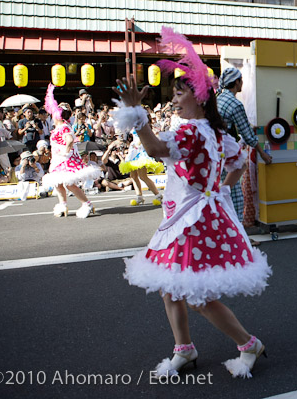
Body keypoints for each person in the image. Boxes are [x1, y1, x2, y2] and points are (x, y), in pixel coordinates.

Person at [116, 27, 272, 378]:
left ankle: (249, 344)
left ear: (199, 97)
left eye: (180, 91)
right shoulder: (215, 133)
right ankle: (183, 349)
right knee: (171, 289)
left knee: (197, 296)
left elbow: (155, 150)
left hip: (192, 223)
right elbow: (238, 161)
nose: (174, 98)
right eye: (174, 91)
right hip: (193, 216)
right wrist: (216, 191)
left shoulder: (191, 131)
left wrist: (137, 113)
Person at [216, 67, 273, 223]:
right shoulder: (235, 104)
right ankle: (239, 237)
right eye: (241, 81)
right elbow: (248, 136)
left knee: (219, 193)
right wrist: (263, 154)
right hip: (226, 156)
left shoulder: (218, 98)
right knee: (234, 196)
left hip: (214, 154)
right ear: (236, 82)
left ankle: (224, 233)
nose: (242, 84)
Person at [41, 84, 102, 218]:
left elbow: (69, 139)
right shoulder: (58, 128)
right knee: (58, 183)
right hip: (58, 159)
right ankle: (62, 204)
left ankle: (87, 203)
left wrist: (65, 152)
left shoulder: (64, 127)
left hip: (65, 159)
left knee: (69, 184)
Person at [120, 129, 164, 205]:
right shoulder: (132, 125)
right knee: (133, 176)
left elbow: (144, 135)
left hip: (140, 150)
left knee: (142, 176)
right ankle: (139, 197)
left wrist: (138, 144)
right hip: (133, 151)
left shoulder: (140, 123)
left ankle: (158, 195)